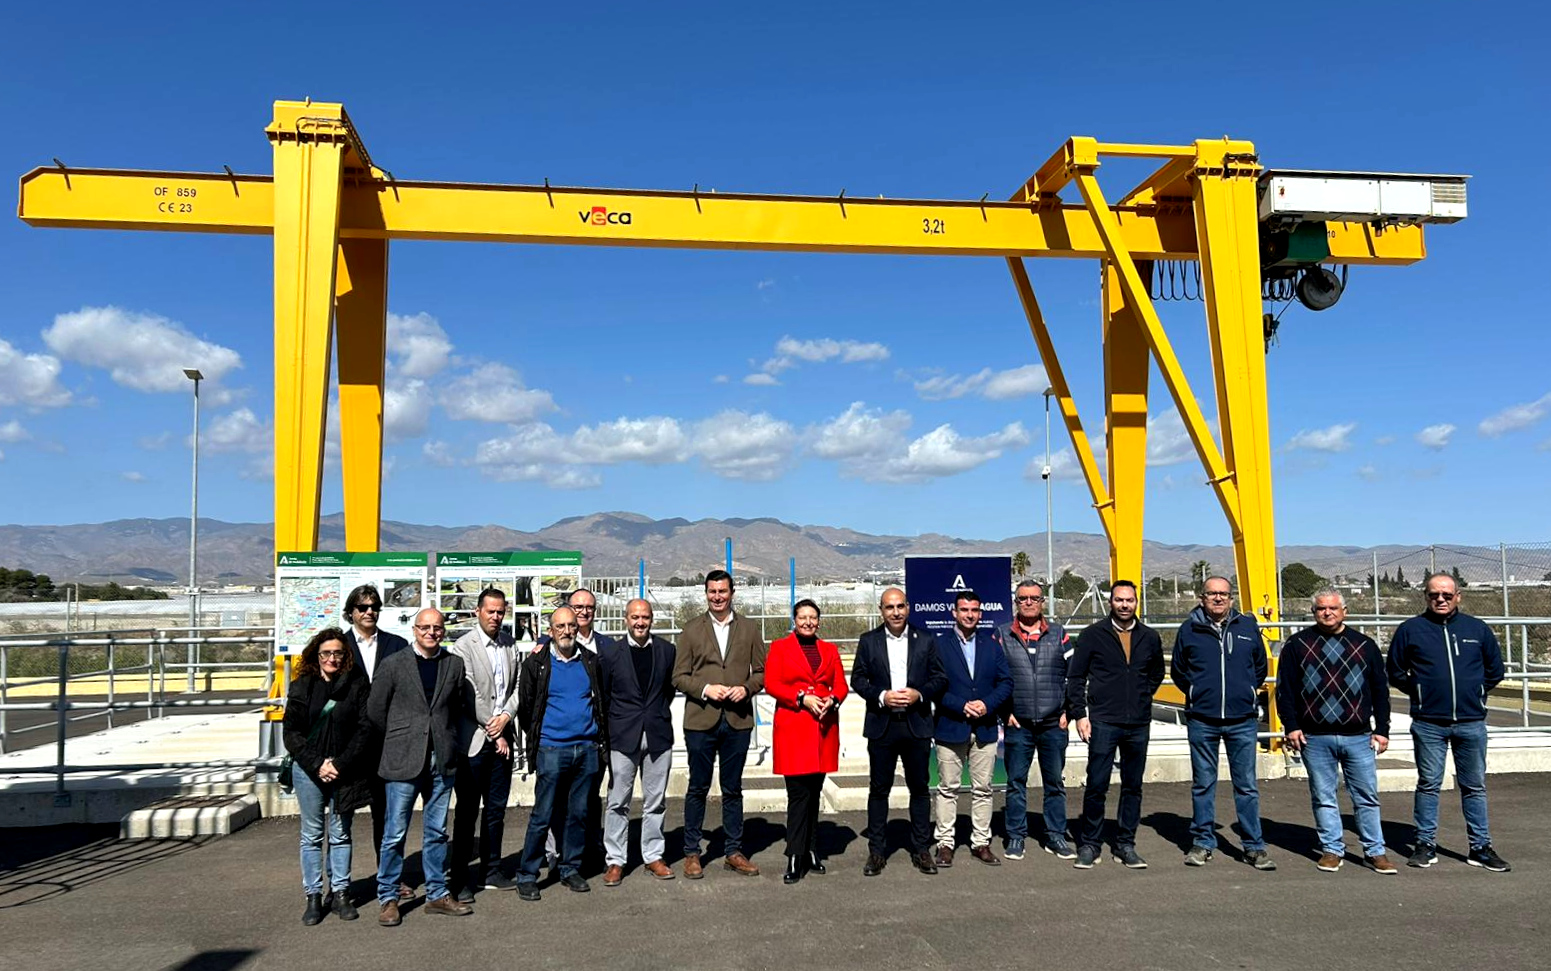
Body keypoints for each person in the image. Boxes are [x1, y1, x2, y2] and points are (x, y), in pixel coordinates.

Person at [1388, 573, 1509, 871]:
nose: (1440, 599)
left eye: (1446, 594)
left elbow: (1495, 670)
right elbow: (1395, 670)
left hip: (1471, 722)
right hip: (1429, 723)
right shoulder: (1411, 630)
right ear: (1425, 597)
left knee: (1474, 786)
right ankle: (1425, 844)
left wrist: (1476, 693)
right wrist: (1421, 692)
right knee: (1429, 784)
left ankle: (1480, 847)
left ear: (1458, 596)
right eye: (1433, 595)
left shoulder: (1476, 629)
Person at [367, 607, 475, 925]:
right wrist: (401, 738)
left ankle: (437, 894)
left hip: (441, 759)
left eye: (437, 627)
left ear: (444, 631)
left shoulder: (453, 664)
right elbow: (376, 710)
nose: (432, 632)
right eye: (425, 627)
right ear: (414, 630)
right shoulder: (394, 664)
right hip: (402, 759)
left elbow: (454, 707)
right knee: (394, 832)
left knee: (437, 831)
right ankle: (388, 897)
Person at [1276, 590, 1395, 874]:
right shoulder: (1297, 644)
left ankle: (1375, 851)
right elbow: (1286, 690)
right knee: (1323, 795)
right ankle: (1331, 849)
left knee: (1366, 796)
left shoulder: (1364, 645)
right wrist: (1291, 726)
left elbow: (1380, 690)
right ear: (1313, 612)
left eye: (1332, 608)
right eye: (1320, 609)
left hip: (1359, 736)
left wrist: (1382, 729)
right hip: (1314, 737)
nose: (1327, 613)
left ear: (1345, 611)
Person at [1169, 576, 1275, 871]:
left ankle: (1254, 847)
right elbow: (1179, 670)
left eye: (1224, 594)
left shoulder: (1247, 627)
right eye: (1212, 594)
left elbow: (1259, 666)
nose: (1218, 598)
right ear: (1202, 597)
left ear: (1232, 598)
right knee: (1203, 784)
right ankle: (1203, 842)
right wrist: (1196, 692)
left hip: (1242, 720)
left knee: (1247, 786)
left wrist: (1247, 691)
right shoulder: (1189, 629)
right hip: (1203, 719)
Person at [671, 569, 768, 878]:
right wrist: (705, 689)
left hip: (737, 721)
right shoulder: (690, 629)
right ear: (706, 593)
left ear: (732, 592)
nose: (717, 597)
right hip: (701, 720)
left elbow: (762, 672)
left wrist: (747, 688)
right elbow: (678, 676)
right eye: (712, 591)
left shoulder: (750, 629)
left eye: (722, 591)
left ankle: (733, 851)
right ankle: (691, 852)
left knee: (732, 788)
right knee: (697, 787)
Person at [1067, 580, 1164, 870]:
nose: (1125, 605)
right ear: (1111, 602)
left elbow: (1156, 672)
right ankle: (1090, 844)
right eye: (1119, 600)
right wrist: (1080, 714)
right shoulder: (1092, 635)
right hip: (1103, 722)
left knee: (1133, 786)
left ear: (1137, 602)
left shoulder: (1149, 636)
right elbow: (1076, 678)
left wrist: (1142, 697)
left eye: (1130, 600)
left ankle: (1125, 844)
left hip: (1137, 723)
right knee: (1096, 785)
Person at [514, 607, 609, 901]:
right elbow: (528, 707)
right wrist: (542, 740)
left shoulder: (591, 662)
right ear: (551, 630)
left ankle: (570, 869)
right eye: (560, 626)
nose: (567, 631)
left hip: (587, 749)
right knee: (543, 814)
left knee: (579, 813)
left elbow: (600, 702)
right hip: (552, 749)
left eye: (571, 625)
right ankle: (527, 875)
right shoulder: (537, 664)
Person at [850, 587, 947, 876]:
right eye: (889, 607)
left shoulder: (926, 639)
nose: (896, 612)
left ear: (908, 607)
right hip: (883, 726)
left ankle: (921, 850)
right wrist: (881, 696)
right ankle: (877, 852)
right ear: (881, 610)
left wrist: (920, 694)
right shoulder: (869, 641)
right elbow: (858, 678)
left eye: (900, 606)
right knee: (879, 790)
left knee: (919, 789)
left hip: (916, 724)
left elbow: (939, 678)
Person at [284, 627, 374, 925]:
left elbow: (364, 729)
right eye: (326, 653)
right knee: (311, 835)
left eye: (337, 653)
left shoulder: (358, 684)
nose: (332, 659)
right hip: (309, 771)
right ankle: (313, 894)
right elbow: (292, 733)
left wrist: (341, 764)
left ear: (345, 655)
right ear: (316, 655)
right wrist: (317, 764)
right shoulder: (301, 686)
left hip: (344, 770)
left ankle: (341, 893)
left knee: (341, 833)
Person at [765, 600, 850, 884]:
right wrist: (801, 697)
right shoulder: (780, 647)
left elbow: (840, 684)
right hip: (794, 730)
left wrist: (833, 700)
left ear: (819, 621)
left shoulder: (830, 650)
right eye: (803, 617)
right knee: (798, 795)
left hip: (823, 730)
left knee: (815, 793)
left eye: (813, 617)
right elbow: (772, 683)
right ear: (794, 620)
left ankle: (812, 850)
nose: (808, 622)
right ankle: (794, 854)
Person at [596, 599, 678, 887]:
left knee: (655, 801)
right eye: (635, 617)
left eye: (645, 617)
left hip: (657, 734)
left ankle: (653, 855)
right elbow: (605, 696)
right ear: (625, 619)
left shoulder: (667, 651)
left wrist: (652, 715)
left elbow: (667, 690)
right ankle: (615, 860)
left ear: (652, 619)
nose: (640, 622)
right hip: (623, 735)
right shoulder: (610, 654)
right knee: (618, 801)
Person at [448, 588, 520, 899]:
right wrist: (495, 728)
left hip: (503, 737)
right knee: (467, 811)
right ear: (478, 611)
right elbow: (470, 693)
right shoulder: (463, 647)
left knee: (496, 810)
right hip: (476, 742)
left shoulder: (510, 644)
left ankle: (492, 870)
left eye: (500, 611)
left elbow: (517, 687)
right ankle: (460, 878)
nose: (495, 616)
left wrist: (506, 717)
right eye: (490, 611)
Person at [995, 579, 1075, 861]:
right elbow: (994, 679)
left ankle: (1055, 835)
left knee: (1054, 783)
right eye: (1023, 598)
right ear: (1016, 602)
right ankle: (1016, 836)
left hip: (1054, 724)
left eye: (1034, 598)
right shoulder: (1002, 635)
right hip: (1019, 725)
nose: (1028, 602)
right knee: (1016, 782)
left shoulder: (1059, 634)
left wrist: (1068, 711)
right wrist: (1005, 712)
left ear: (1043, 602)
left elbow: (1073, 676)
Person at [932, 590, 1012, 867]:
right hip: (950, 726)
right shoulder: (939, 645)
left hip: (985, 728)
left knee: (983, 789)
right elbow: (934, 686)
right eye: (964, 609)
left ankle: (981, 843)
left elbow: (1005, 682)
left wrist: (986, 704)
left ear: (980, 613)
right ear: (954, 613)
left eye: (974, 610)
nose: (969, 614)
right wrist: (961, 705)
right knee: (948, 788)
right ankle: (944, 843)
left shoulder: (992, 645)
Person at [340, 583, 410, 896]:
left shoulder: (397, 645)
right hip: (348, 745)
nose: (370, 612)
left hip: (386, 743)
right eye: (363, 607)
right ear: (350, 612)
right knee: (342, 819)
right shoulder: (336, 646)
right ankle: (342, 886)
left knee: (388, 815)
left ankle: (391, 877)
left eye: (374, 607)